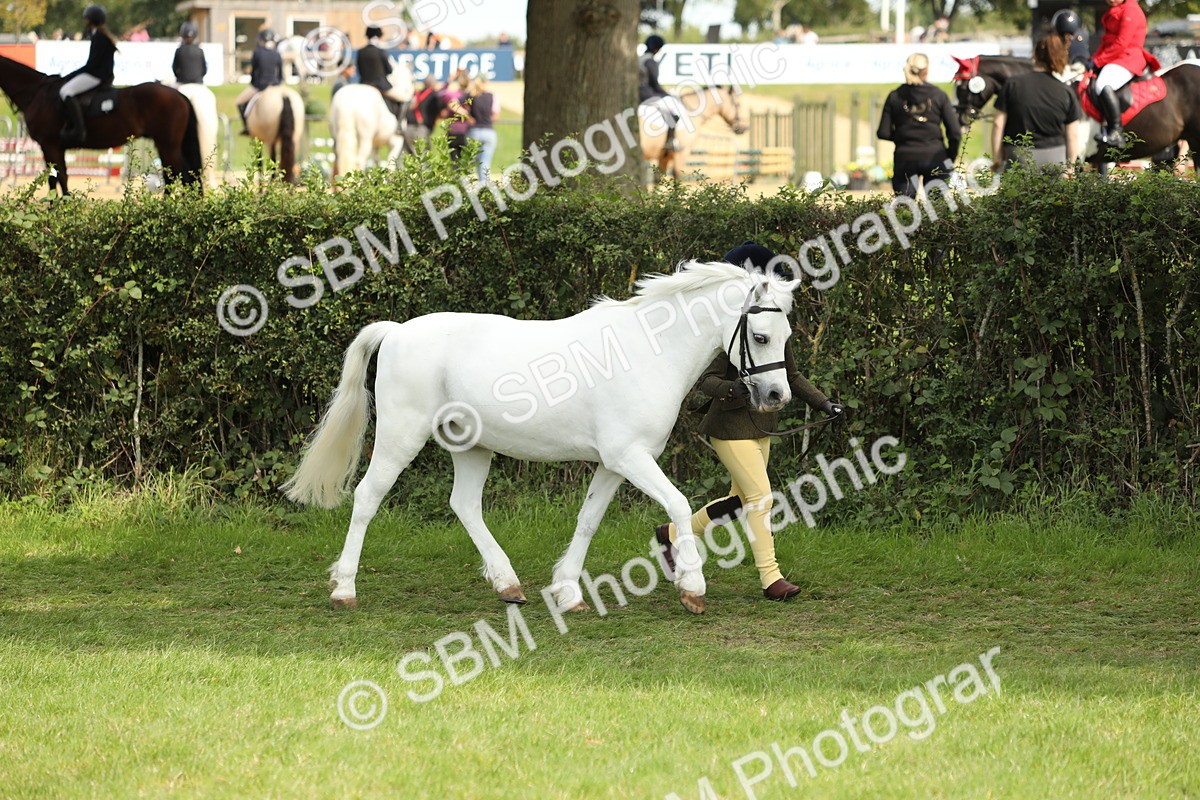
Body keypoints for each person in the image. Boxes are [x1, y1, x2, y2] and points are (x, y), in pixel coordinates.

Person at [654, 242, 846, 602]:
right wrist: (735, 389)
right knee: (761, 497)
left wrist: (824, 404)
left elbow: (792, 374)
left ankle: (674, 535)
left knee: (739, 500)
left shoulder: (773, 325)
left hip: (763, 427)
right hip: (729, 428)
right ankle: (771, 579)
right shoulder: (732, 327)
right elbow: (707, 382)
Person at [992, 35, 1082, 170]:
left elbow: (998, 124)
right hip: (1055, 159)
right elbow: (1073, 135)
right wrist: (1070, 168)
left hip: (1019, 157)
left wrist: (997, 159)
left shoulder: (1012, 85)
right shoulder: (1066, 92)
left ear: (1034, 54)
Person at [877, 53, 961, 197]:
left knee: (903, 211)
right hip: (935, 157)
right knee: (938, 211)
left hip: (905, 158)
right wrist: (949, 157)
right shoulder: (939, 95)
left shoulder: (895, 96)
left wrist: (903, 137)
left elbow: (883, 132)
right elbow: (955, 133)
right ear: (926, 71)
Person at [1092, 0, 1148, 148]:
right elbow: (1107, 43)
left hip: (1128, 57)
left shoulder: (1131, 11)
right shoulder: (1118, 9)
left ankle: (1117, 131)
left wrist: (1098, 61)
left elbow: (1122, 43)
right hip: (1116, 57)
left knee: (1102, 83)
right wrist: (1093, 60)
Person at [59, 5, 118, 146]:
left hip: (97, 76)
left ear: (91, 21)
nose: (85, 23)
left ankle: (79, 130)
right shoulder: (101, 35)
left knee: (65, 91)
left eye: (87, 20)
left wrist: (69, 76)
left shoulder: (99, 37)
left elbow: (91, 66)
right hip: (101, 75)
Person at [638, 34, 683, 153]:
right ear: (656, 48)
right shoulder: (650, 61)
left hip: (639, 92)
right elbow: (655, 84)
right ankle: (670, 141)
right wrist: (668, 95)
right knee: (674, 109)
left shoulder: (640, 58)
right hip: (647, 94)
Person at [357, 25, 407, 129]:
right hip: (380, 86)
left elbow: (360, 70)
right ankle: (398, 127)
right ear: (378, 36)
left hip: (364, 85)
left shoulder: (360, 52)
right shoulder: (380, 51)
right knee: (403, 98)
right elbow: (389, 70)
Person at [235, 29, 282, 135]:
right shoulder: (277, 54)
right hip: (274, 85)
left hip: (260, 85)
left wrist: (254, 83)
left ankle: (247, 127)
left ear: (261, 40)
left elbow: (254, 72)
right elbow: (280, 75)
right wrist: (277, 84)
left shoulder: (257, 52)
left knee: (239, 102)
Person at [465, 74, 499, 181]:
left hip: (474, 131)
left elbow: (458, 105)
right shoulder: (491, 96)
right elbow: (495, 115)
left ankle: (473, 185)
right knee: (485, 161)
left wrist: (468, 117)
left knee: (473, 161)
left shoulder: (471, 96)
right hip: (489, 131)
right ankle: (484, 186)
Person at [403, 75, 442, 155]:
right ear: (433, 84)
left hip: (408, 127)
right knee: (423, 156)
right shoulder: (434, 96)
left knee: (408, 155)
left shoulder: (416, 94)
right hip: (421, 129)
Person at [440, 69, 471, 161]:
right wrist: (466, 113)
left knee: (454, 160)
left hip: (452, 130)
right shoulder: (471, 95)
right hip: (466, 130)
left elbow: (440, 93)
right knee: (465, 162)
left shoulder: (452, 95)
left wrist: (449, 79)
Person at [1052, 9, 1091, 73]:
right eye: (1065, 34)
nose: (1069, 38)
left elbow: (1083, 62)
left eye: (1071, 34)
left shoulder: (1080, 41)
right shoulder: (1052, 44)